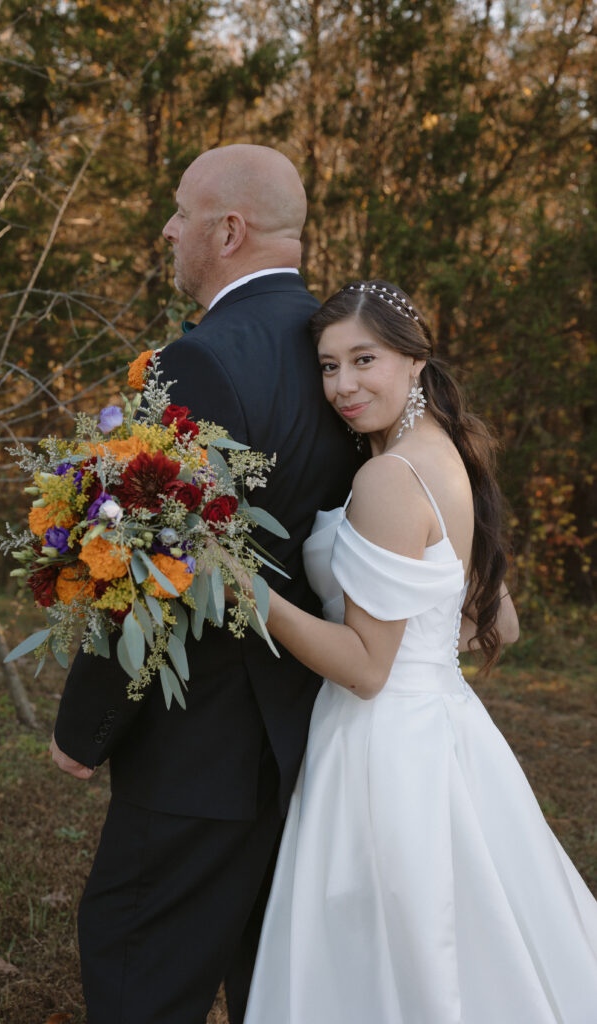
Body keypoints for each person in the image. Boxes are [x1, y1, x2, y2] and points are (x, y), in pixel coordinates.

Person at [49, 145, 361, 1023]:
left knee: (137, 964)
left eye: (181, 211)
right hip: (312, 739)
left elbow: (150, 567)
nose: (168, 227)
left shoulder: (201, 362)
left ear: (228, 230)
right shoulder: (347, 354)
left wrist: (86, 725)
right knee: (269, 984)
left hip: (200, 747)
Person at [240, 280, 597, 1023]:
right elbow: (499, 625)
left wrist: (245, 593)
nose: (341, 385)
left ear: (413, 361)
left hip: (381, 749)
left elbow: (368, 670)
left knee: (384, 954)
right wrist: (426, 647)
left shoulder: (386, 478)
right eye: (328, 366)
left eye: (362, 359)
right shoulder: (445, 457)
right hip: (443, 728)